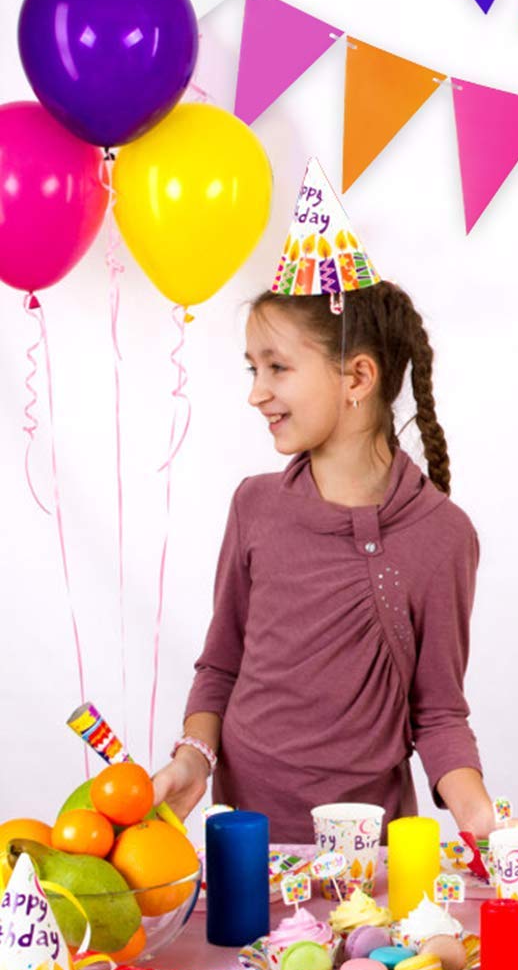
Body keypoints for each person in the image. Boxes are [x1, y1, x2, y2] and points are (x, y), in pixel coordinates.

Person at [151, 161, 495, 842]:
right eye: (253, 368)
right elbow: (220, 664)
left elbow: (438, 713)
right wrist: (193, 758)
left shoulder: (443, 535)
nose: (257, 392)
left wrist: (483, 818)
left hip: (371, 855)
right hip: (246, 842)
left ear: (357, 378)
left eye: (277, 367)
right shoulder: (255, 507)